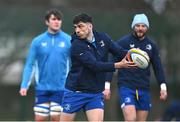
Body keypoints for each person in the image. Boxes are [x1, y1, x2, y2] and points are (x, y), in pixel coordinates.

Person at [60, 13, 136, 121]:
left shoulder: (103, 38)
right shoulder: (76, 45)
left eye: (80, 26)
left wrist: (135, 54)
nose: (77, 30)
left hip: (95, 93)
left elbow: (119, 52)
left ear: (90, 26)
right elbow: (94, 66)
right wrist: (118, 65)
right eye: (75, 27)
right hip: (76, 92)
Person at [113, 13, 168, 121]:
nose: (140, 28)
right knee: (131, 119)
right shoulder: (123, 42)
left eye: (143, 26)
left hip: (144, 88)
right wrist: (106, 85)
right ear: (133, 26)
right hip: (126, 86)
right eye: (137, 25)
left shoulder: (152, 45)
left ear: (147, 27)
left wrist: (163, 87)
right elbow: (111, 60)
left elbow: (158, 67)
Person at [19, 9, 71, 121]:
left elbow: (75, 65)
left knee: (56, 117)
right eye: (53, 19)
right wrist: (24, 85)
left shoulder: (68, 40)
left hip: (61, 88)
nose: (57, 22)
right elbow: (30, 64)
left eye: (59, 19)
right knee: (39, 119)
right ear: (47, 22)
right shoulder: (37, 41)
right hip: (42, 87)